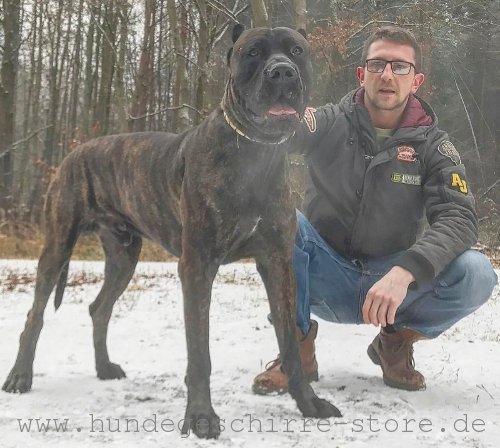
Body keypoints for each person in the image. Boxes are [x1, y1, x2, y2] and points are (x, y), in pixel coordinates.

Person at [253, 26, 498, 394]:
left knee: (477, 273)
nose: (387, 74)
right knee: (278, 218)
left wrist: (405, 272)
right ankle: (296, 352)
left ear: (416, 81)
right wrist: (270, 102)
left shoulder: (435, 146)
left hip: (393, 286)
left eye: (399, 67)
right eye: (377, 64)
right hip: (325, 275)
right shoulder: (329, 120)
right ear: (361, 74)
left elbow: (459, 218)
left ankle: (393, 343)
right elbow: (279, 135)